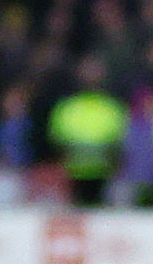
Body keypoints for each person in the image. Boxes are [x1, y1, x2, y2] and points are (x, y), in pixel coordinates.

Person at [49, 59, 127, 207]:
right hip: (73, 177)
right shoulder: (68, 107)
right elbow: (57, 142)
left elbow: (122, 143)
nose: (91, 76)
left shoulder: (112, 107)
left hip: (106, 177)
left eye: (95, 71)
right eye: (88, 71)